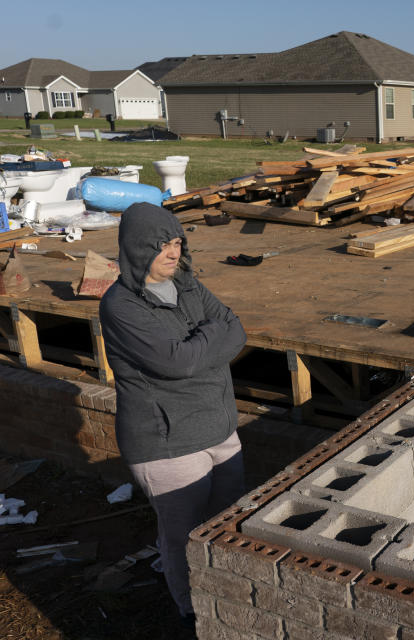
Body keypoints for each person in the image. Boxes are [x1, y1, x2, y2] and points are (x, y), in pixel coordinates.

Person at [99, 202, 248, 627]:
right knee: (183, 539)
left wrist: (206, 341)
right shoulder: (122, 306)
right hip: (167, 442)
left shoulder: (187, 283)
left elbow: (237, 329)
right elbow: (176, 363)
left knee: (227, 526)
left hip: (219, 428)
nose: (172, 253)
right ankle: (192, 614)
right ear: (137, 248)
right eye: (162, 245)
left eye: (177, 243)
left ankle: (230, 601)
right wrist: (212, 335)